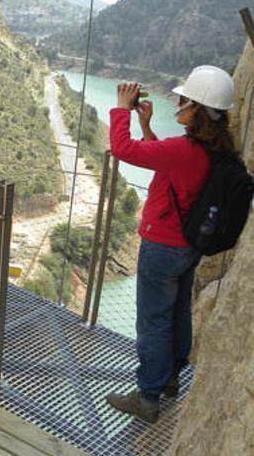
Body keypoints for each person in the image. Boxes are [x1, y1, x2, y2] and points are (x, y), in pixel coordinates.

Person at [105, 65, 236, 423]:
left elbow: (122, 148)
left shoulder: (184, 150)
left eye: (183, 100)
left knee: (153, 321)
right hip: (189, 246)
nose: (177, 104)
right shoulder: (214, 150)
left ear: (196, 109)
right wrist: (147, 125)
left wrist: (121, 108)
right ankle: (171, 378)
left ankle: (147, 395)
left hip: (162, 247)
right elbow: (163, 161)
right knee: (177, 313)